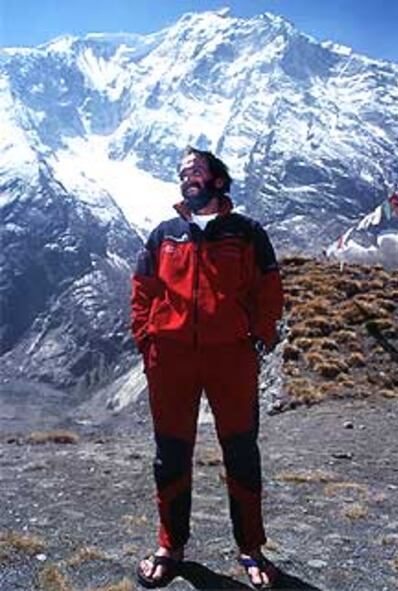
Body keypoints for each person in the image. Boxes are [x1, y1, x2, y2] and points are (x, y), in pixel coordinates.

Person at [131, 147, 284, 589]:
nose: (187, 179)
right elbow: (142, 291)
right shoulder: (163, 235)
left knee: (241, 453)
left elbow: (269, 291)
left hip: (230, 358)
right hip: (171, 360)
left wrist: (258, 337)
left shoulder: (247, 233)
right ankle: (170, 546)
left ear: (217, 179)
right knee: (170, 456)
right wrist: (148, 340)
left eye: (195, 171)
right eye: (182, 174)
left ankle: (251, 549)